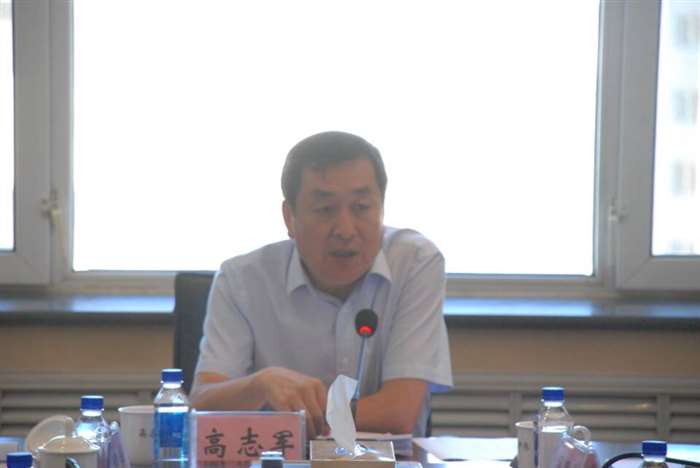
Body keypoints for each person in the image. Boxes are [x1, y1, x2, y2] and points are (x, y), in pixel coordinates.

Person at [190, 131, 452, 439]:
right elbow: (201, 407)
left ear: (381, 207)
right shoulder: (242, 281)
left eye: (361, 207)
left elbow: (398, 413)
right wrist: (260, 384)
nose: (345, 230)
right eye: (325, 210)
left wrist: (301, 415)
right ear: (289, 218)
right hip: (277, 458)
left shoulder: (415, 262)